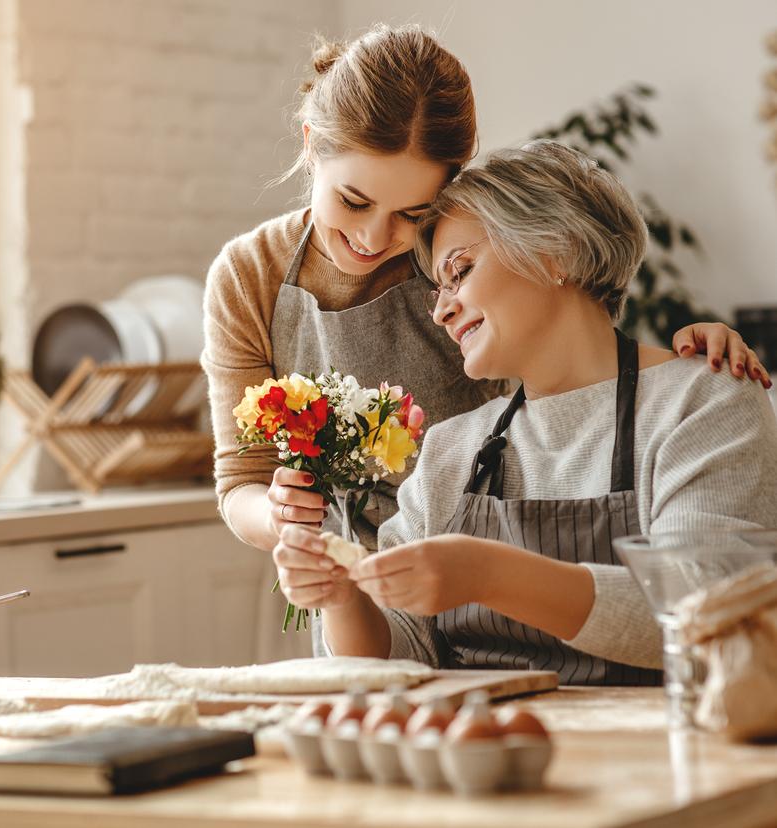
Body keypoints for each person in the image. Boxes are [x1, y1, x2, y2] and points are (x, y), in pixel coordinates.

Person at [203, 24, 768, 559]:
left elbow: (571, 382)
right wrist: (283, 517)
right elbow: (240, 482)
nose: (374, 238)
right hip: (350, 588)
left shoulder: (463, 252)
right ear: (310, 147)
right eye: (353, 201)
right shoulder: (249, 277)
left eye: (412, 212)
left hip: (479, 570)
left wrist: (679, 367)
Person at [272, 140, 777, 683]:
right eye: (438, 288)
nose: (441, 310)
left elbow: (705, 616)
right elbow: (400, 655)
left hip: (661, 755)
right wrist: (343, 596)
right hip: (488, 757)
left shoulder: (703, 401)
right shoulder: (451, 450)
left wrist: (489, 573)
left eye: (460, 271)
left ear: (553, 250)